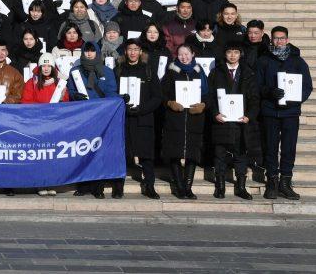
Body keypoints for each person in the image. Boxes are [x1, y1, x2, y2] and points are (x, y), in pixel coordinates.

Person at [257, 26, 313, 200]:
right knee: (271, 147)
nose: (279, 41)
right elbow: (257, 85)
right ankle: (272, 182)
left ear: (287, 40)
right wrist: (269, 92)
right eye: (276, 38)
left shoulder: (298, 61)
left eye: (282, 38)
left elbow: (307, 86)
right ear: (271, 39)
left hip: (290, 111)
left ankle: (286, 182)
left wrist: (296, 99)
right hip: (270, 111)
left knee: (289, 148)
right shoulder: (264, 59)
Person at [207, 42, 260, 200]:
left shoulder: (248, 73)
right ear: (225, 54)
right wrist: (215, 113)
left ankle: (241, 187)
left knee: (241, 154)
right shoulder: (216, 72)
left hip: (240, 121)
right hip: (221, 120)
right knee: (220, 154)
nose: (232, 55)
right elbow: (209, 96)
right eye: (229, 52)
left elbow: (255, 99)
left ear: (240, 54)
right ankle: (220, 186)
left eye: (236, 52)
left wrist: (249, 116)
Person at [66, 42, 119, 198]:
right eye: (86, 51)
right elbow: (70, 90)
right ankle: (83, 185)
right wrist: (74, 95)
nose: (89, 54)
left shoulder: (107, 72)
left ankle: (98, 187)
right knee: (82, 151)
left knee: (98, 152)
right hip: (82, 116)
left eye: (92, 51)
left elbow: (111, 92)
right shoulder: (75, 71)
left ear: (97, 52)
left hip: (101, 117)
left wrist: (119, 99)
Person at [114, 39, 162, 199]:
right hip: (124, 118)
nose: (133, 52)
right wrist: (122, 105)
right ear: (125, 51)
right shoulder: (119, 70)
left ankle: (149, 185)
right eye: (130, 49)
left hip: (144, 119)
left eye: (136, 49)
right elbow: (113, 94)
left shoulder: (148, 70)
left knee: (146, 155)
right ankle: (118, 186)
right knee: (121, 154)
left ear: (141, 52)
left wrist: (142, 109)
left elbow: (157, 97)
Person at [161, 44, 209, 200]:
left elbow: (208, 94)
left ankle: (188, 187)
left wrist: (203, 105)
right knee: (175, 153)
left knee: (192, 154)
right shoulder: (171, 72)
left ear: (193, 54)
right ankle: (179, 187)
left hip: (195, 119)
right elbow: (162, 94)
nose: (184, 57)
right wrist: (170, 103)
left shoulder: (199, 72)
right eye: (181, 54)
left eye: (187, 54)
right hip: (176, 118)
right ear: (177, 55)